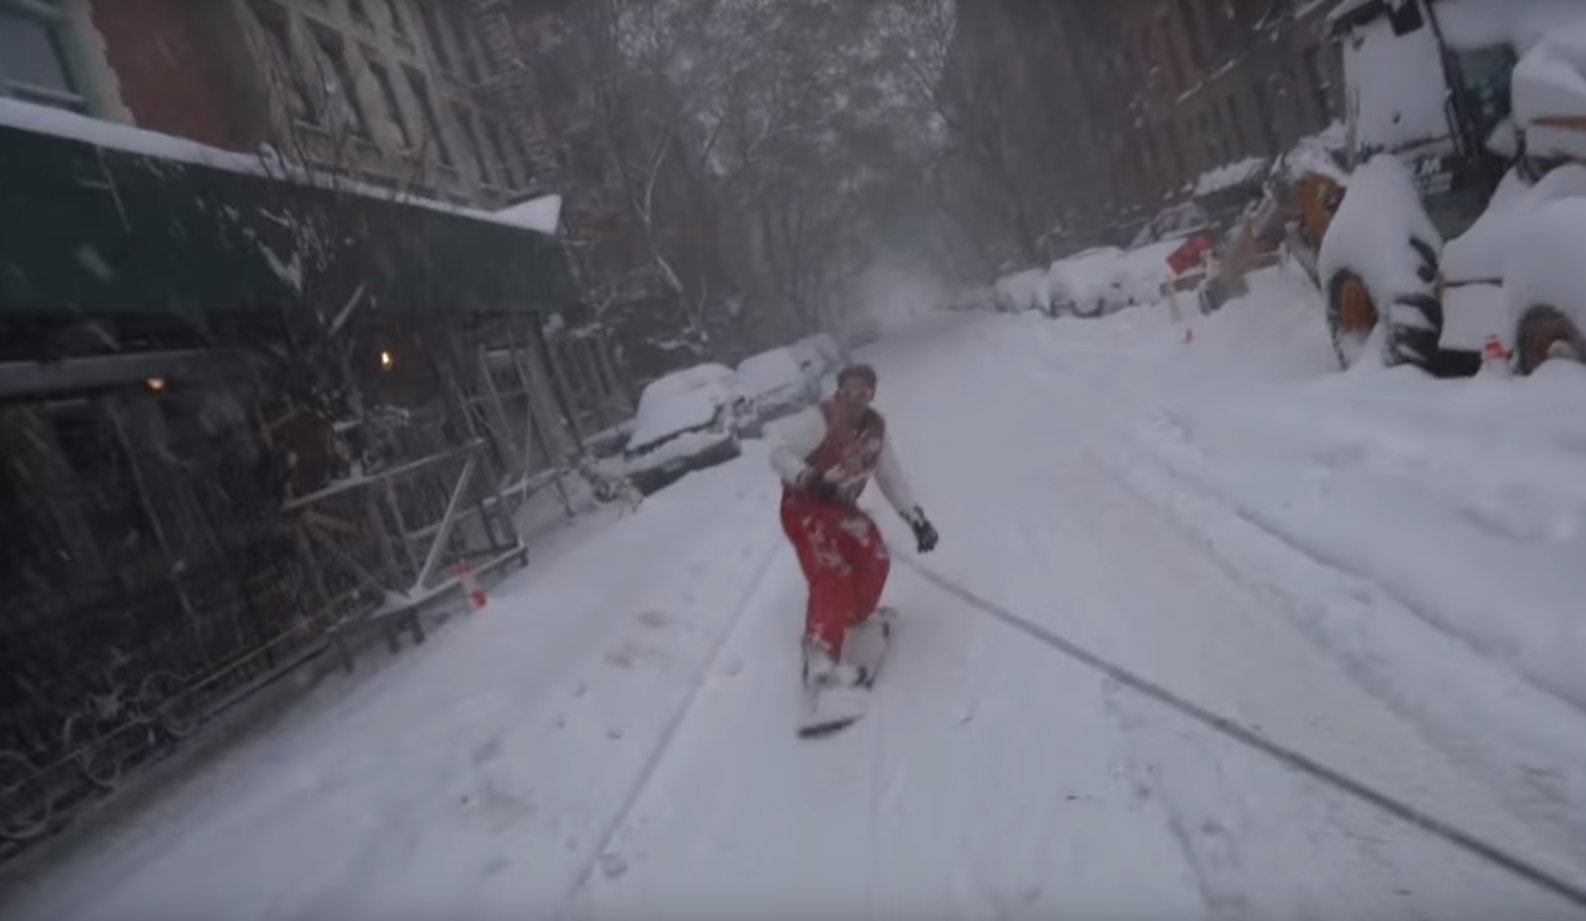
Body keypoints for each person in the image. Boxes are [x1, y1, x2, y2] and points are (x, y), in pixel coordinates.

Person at [770, 364, 938, 692]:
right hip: (804, 506)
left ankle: (853, 618)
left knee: (874, 556)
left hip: (840, 507)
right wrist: (809, 477)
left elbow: (890, 476)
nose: (854, 398)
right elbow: (779, 454)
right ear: (838, 390)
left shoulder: (875, 430)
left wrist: (915, 518)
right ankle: (820, 657)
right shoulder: (820, 420)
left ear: (872, 394)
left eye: (863, 391)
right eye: (848, 390)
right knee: (832, 572)